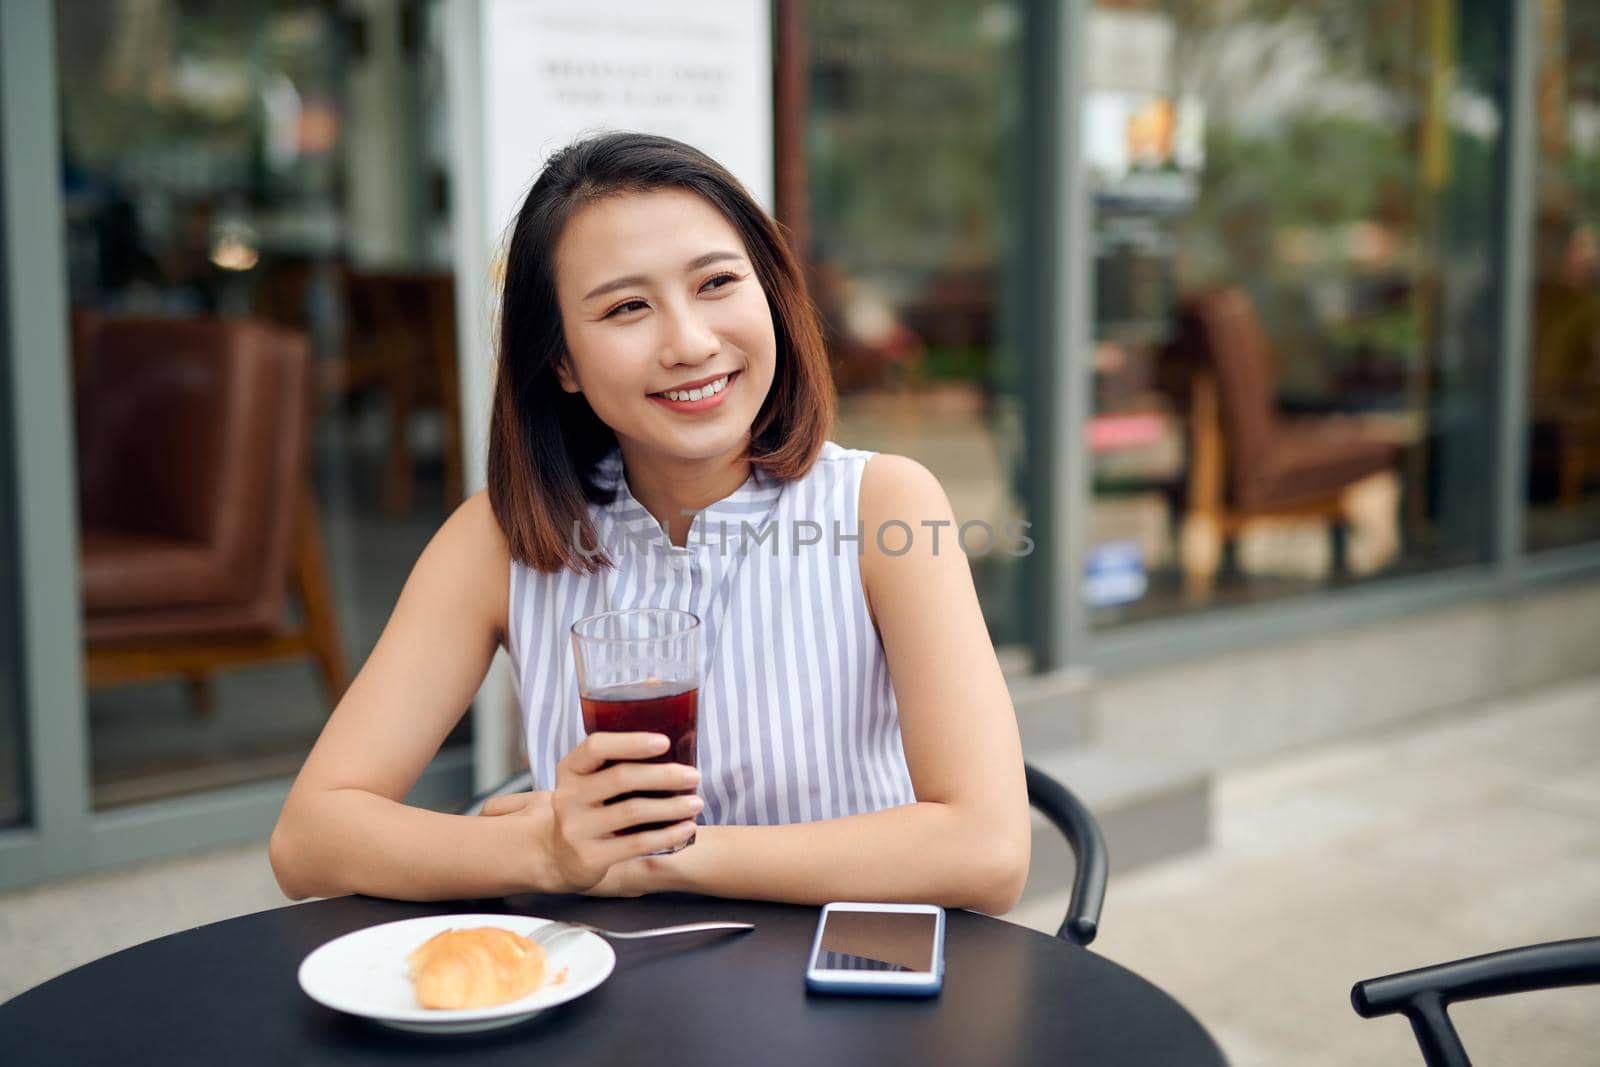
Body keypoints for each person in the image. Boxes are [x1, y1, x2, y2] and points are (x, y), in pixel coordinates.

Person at [269, 132, 1030, 914]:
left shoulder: (884, 506)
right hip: (604, 996)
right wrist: (542, 849)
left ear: (769, 293)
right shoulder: (498, 538)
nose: (691, 343)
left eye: (716, 283)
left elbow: (988, 850)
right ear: (560, 360)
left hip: (845, 992)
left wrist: (659, 859)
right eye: (627, 307)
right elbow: (309, 840)